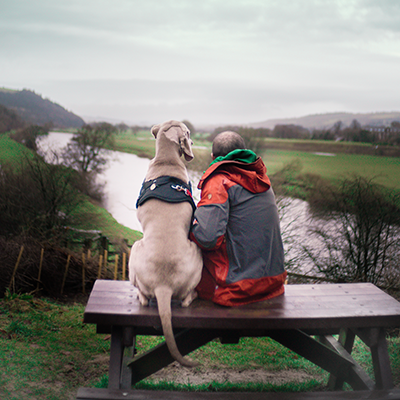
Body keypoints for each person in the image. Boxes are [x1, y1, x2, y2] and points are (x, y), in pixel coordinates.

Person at [190, 131, 286, 306]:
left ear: (213, 157)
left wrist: (191, 224)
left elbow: (207, 238)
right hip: (273, 284)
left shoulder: (219, 181)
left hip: (235, 289)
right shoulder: (262, 179)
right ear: (243, 152)